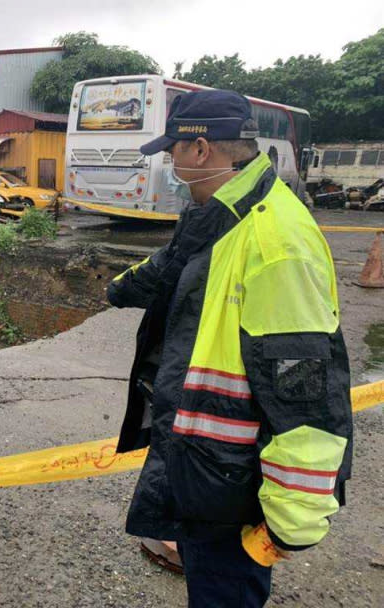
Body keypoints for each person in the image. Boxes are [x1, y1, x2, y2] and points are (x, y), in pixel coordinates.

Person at [107, 89, 353, 607]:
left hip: (232, 481)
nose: (170, 163)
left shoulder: (274, 242)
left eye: (173, 150)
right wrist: (119, 288)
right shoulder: (223, 211)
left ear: (200, 150)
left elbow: (304, 386)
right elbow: (173, 266)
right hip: (205, 466)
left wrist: (294, 514)